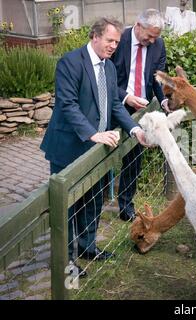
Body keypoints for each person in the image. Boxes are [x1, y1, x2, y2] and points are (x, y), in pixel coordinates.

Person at [40, 17, 148, 276]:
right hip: (69, 147)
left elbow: (113, 105)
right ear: (95, 36)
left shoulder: (108, 68)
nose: (113, 46)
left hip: (97, 151)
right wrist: (92, 134)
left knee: (94, 199)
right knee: (66, 207)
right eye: (110, 40)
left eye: (117, 42)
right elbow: (67, 105)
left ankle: (88, 247)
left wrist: (135, 129)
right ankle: (65, 263)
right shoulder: (70, 62)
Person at [110, 9, 169, 222]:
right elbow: (106, 80)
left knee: (133, 159)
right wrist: (126, 97)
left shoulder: (158, 45)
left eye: (156, 36)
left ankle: (126, 207)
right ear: (138, 26)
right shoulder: (119, 40)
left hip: (140, 109)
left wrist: (163, 100)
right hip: (116, 105)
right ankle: (93, 205)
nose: (153, 41)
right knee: (104, 154)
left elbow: (157, 78)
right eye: (150, 36)